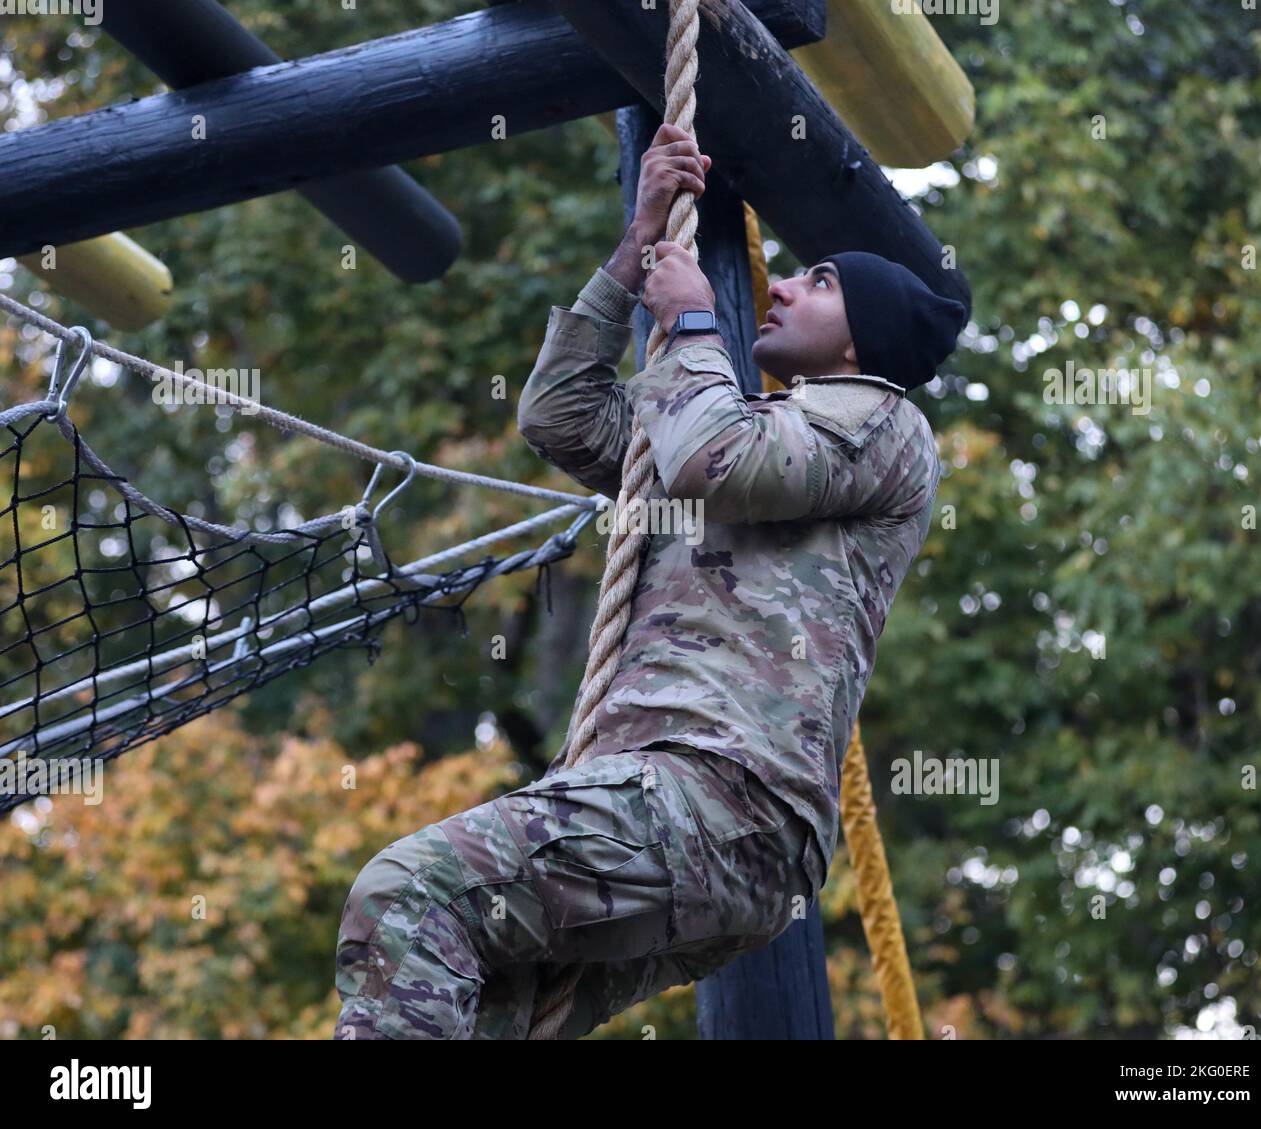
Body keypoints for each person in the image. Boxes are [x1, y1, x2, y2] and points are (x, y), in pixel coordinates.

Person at [332, 123, 965, 1040]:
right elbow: (559, 415)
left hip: (722, 797)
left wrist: (695, 321)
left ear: (864, 338)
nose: (780, 285)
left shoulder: (882, 426)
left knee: (409, 887)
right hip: (682, 810)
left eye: (819, 280)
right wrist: (634, 253)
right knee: (486, 1004)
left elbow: (715, 458)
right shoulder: (718, 414)